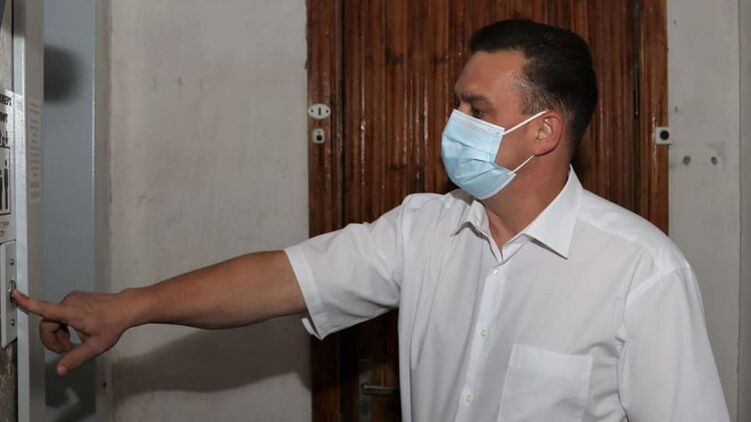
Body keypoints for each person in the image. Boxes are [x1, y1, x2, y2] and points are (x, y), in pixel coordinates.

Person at [13, 19, 729, 421]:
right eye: (456, 102)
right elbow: (277, 280)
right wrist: (128, 308)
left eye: (476, 109)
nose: (453, 122)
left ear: (544, 132)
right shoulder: (424, 229)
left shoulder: (640, 270)